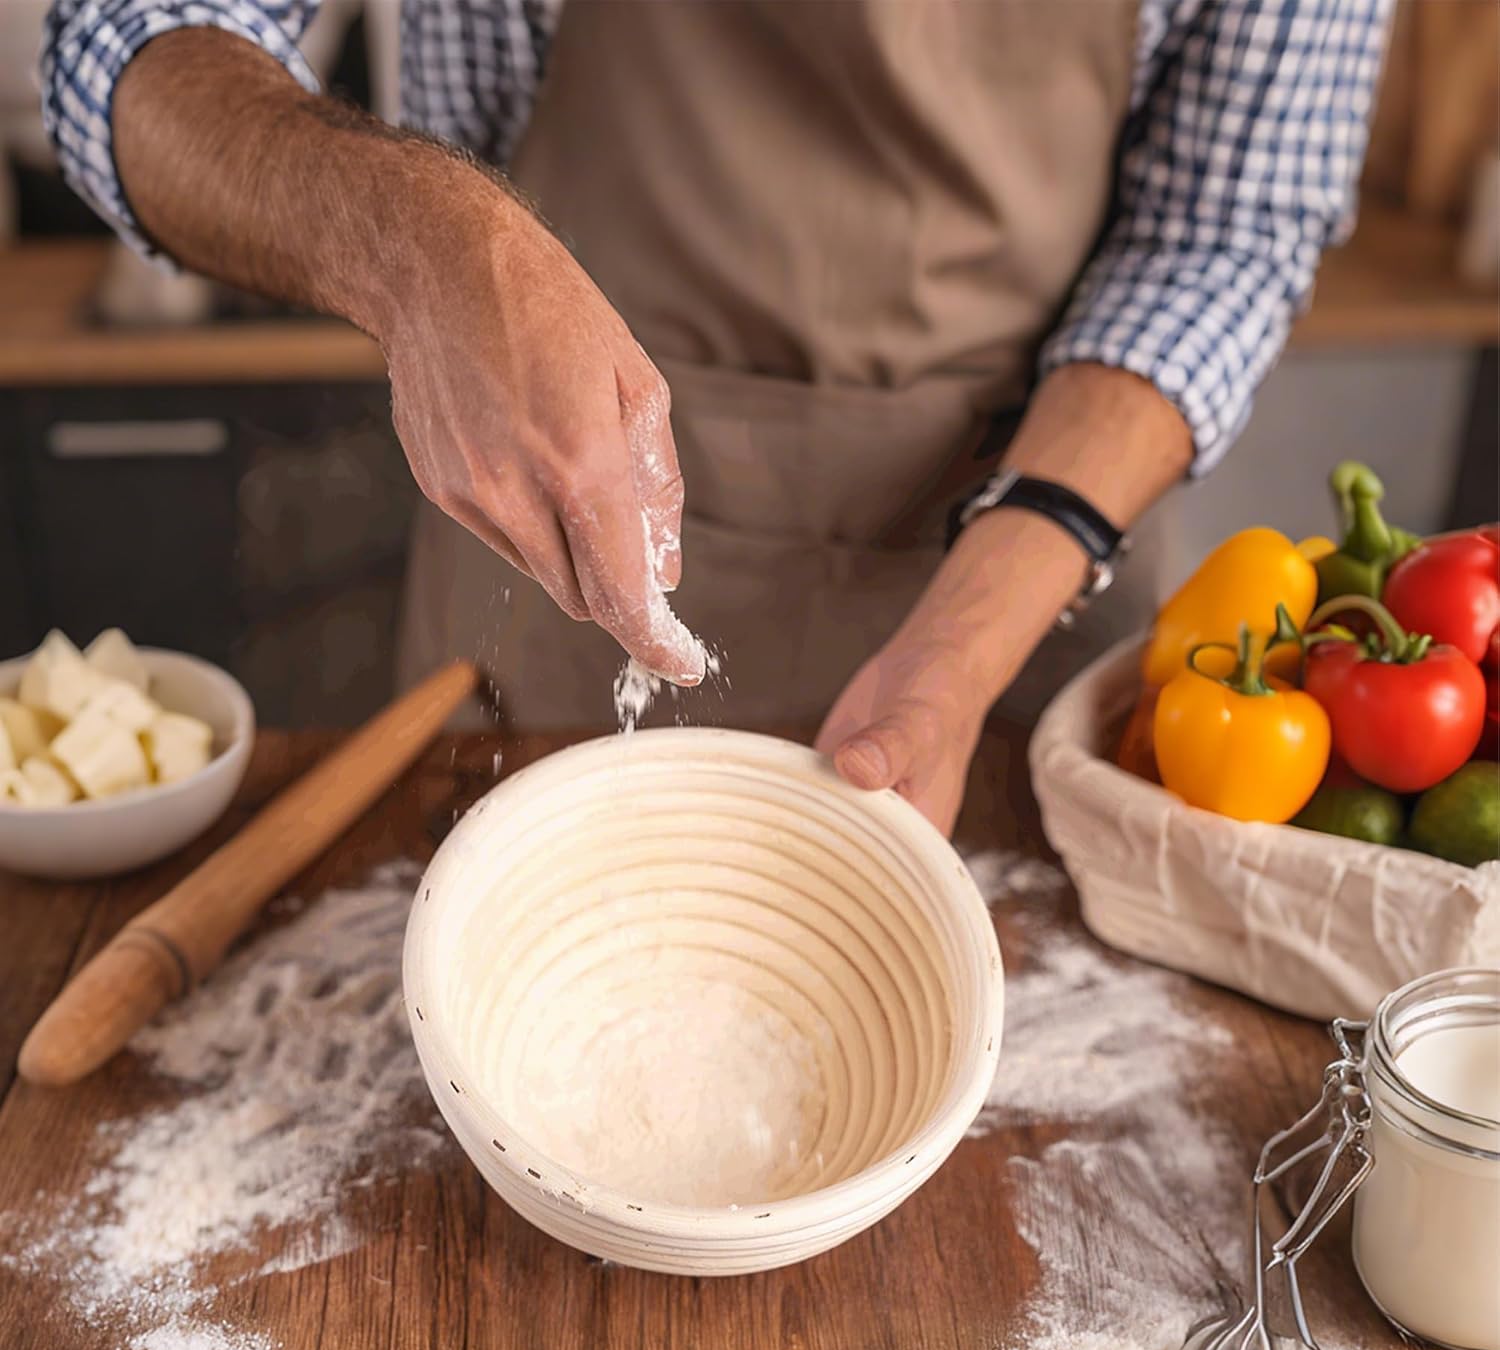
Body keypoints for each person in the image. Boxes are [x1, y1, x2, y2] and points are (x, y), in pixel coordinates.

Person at [41, 0, 1391, 833]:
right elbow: (127, 35)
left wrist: (962, 650)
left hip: (1014, 588)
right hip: (545, 565)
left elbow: (1223, 234)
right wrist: (414, 245)